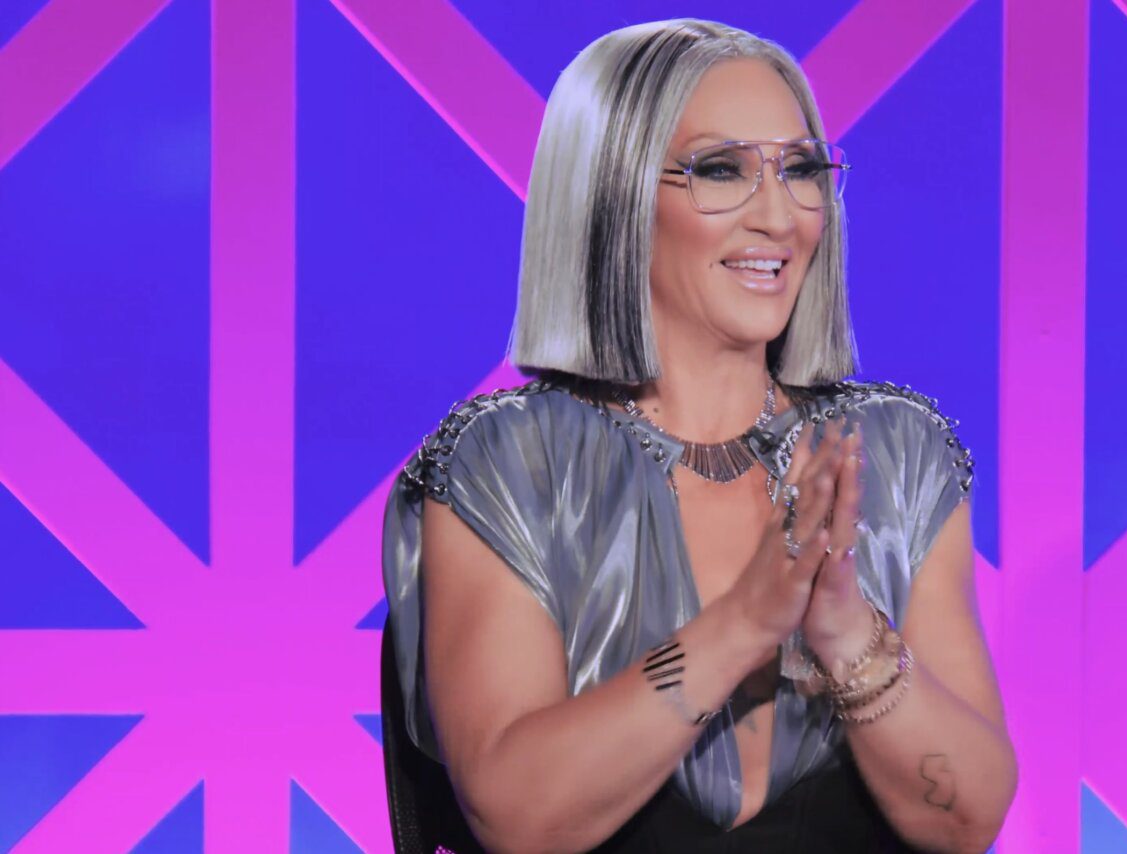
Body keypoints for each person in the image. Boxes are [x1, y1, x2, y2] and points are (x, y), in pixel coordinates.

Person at [381, 18, 1017, 852]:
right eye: (721, 169)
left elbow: (965, 821)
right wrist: (743, 624)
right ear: (611, 194)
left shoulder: (894, 454)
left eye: (801, 170)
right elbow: (519, 818)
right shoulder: (512, 467)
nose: (780, 216)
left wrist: (846, 635)